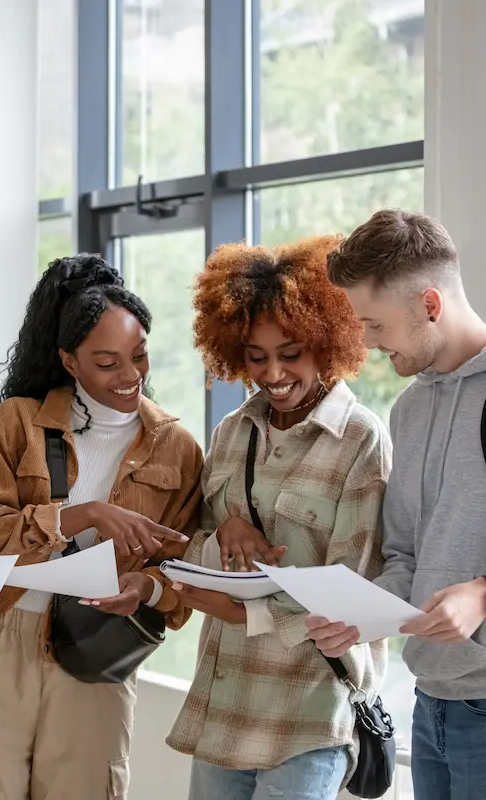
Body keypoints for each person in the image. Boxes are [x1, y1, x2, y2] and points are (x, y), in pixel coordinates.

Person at [0, 253, 203, 800]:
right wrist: (84, 514)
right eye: (107, 363)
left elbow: (184, 565)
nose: (130, 376)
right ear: (70, 361)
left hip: (99, 649)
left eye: (138, 356)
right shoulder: (17, 423)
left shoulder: (178, 448)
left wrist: (146, 587)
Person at [166, 236, 392, 800]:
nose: (273, 372)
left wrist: (244, 613)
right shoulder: (231, 433)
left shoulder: (360, 440)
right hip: (225, 706)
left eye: (290, 353)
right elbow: (188, 545)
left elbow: (353, 590)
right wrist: (224, 532)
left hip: (308, 714)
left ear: (325, 343)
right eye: (256, 356)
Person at [308, 210, 486, 800]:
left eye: (375, 324)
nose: (366, 342)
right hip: (431, 704)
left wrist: (482, 593)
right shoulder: (408, 411)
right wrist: (359, 617)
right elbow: (406, 554)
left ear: (430, 305)